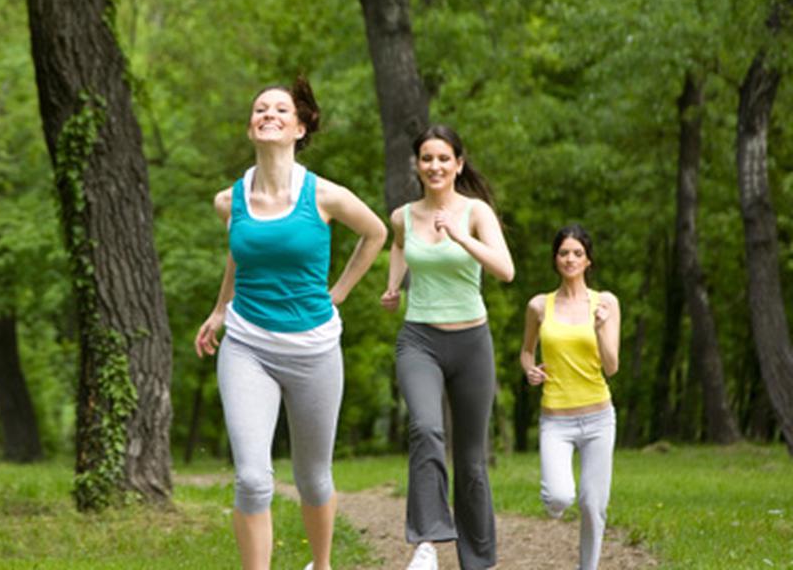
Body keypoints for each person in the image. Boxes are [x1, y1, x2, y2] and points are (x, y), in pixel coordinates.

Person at [195, 77, 388, 570]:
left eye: (281, 109)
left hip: (315, 349)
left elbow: (376, 233)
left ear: (299, 128)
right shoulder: (229, 201)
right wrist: (221, 309)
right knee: (253, 479)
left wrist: (339, 292)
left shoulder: (324, 195)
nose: (270, 114)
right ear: (250, 127)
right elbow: (243, 259)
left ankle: (321, 567)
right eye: (261, 109)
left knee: (314, 478)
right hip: (248, 345)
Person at [379, 125, 515, 570]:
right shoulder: (404, 215)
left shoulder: (476, 212)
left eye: (443, 158)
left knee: (471, 460)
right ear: (417, 165)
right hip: (420, 339)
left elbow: (505, 270)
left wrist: (461, 237)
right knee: (425, 429)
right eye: (426, 159)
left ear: (458, 163)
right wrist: (393, 284)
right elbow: (399, 246)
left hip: (472, 342)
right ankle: (426, 543)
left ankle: (477, 561)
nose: (434, 166)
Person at [519, 225, 620, 570]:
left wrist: (600, 328)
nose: (570, 259)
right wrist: (530, 370)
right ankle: (556, 502)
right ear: (555, 259)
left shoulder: (605, 303)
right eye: (564, 253)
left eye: (577, 253)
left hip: (598, 418)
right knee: (559, 497)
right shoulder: (538, 305)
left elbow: (612, 366)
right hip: (556, 419)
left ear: (588, 260)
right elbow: (526, 352)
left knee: (593, 504)